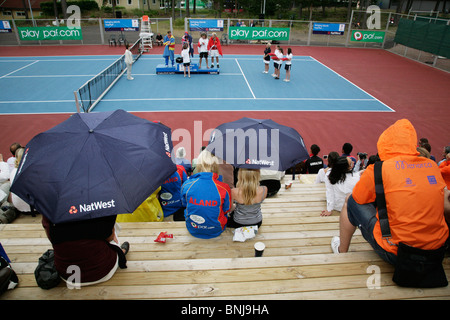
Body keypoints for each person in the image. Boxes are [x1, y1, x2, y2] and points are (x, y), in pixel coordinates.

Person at [331, 119, 449, 267]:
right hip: (437, 251)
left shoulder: (379, 169)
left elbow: (359, 199)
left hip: (398, 253)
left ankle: (341, 250)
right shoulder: (432, 166)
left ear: (385, 143)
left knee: (350, 201)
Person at [42, 214, 129, 287]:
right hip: (102, 271)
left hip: (67, 274)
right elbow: (109, 238)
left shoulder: (50, 208)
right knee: (113, 231)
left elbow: (52, 239)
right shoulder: (101, 204)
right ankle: (121, 252)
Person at [181, 150, 231, 239]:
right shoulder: (224, 187)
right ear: (216, 166)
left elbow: (184, 204)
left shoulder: (187, 184)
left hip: (193, 228)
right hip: (216, 230)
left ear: (199, 165)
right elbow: (227, 209)